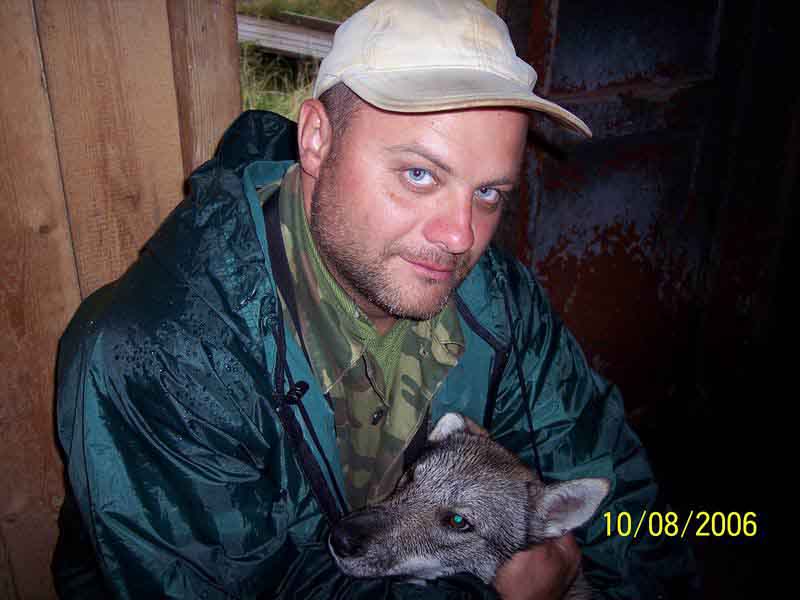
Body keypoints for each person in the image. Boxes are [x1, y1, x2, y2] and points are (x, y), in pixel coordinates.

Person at [52, 0, 698, 598]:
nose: (461, 238)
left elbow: (619, 495)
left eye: (488, 193)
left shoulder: (496, 297)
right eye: (420, 174)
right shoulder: (162, 358)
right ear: (317, 139)